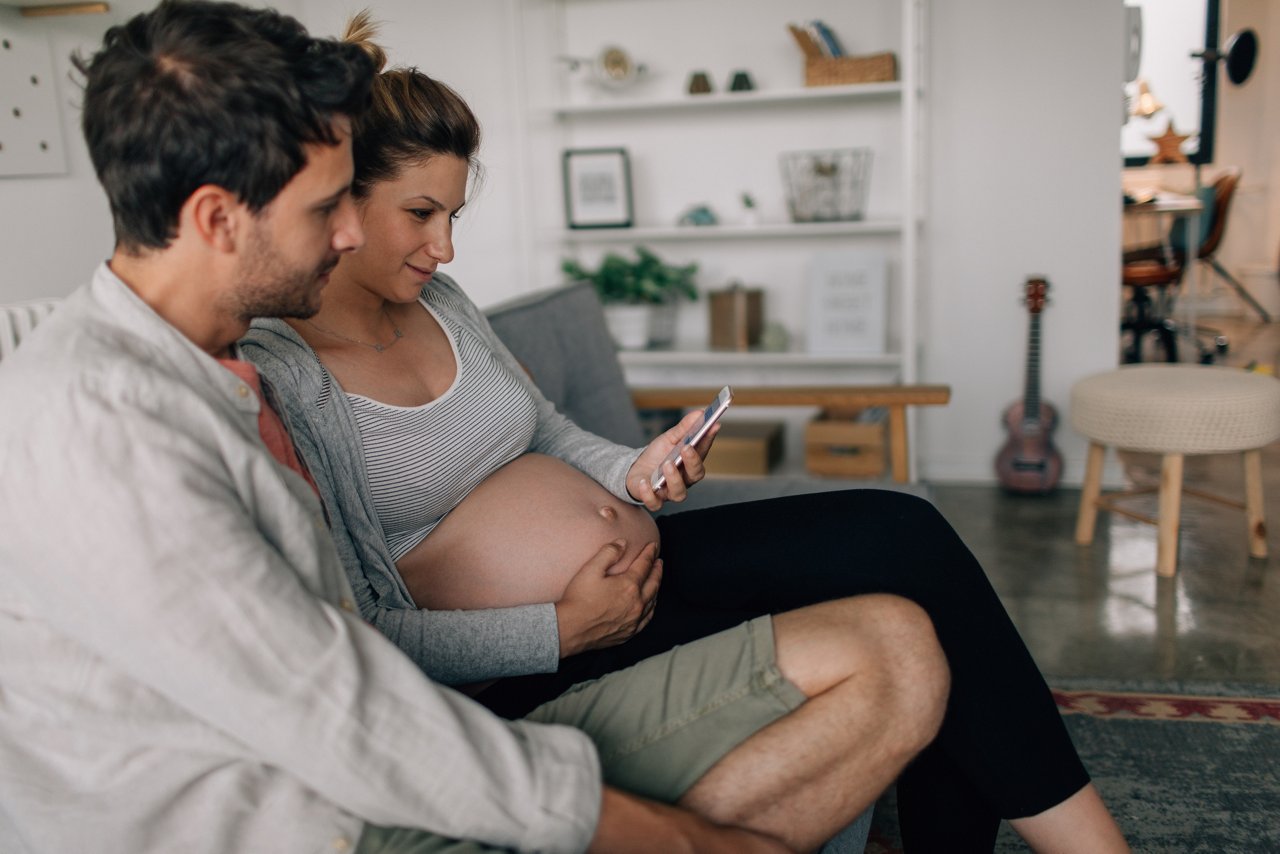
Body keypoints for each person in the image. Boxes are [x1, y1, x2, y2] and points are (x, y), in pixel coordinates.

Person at [0, 3, 950, 853]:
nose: (347, 237)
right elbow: (350, 720)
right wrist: (663, 835)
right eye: (329, 207)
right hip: (330, 813)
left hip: (379, 754)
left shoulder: (188, 363)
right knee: (871, 662)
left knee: (895, 643)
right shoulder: (112, 434)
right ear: (215, 219)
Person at [243, 15, 1131, 853]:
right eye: (421, 214)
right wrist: (557, 629)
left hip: (640, 569)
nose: (444, 248)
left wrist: (636, 469)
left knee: (906, 535)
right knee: (905, 601)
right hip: (523, 663)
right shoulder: (285, 373)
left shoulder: (438, 300)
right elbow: (366, 631)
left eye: (454, 217)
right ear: (342, 204)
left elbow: (543, 429)